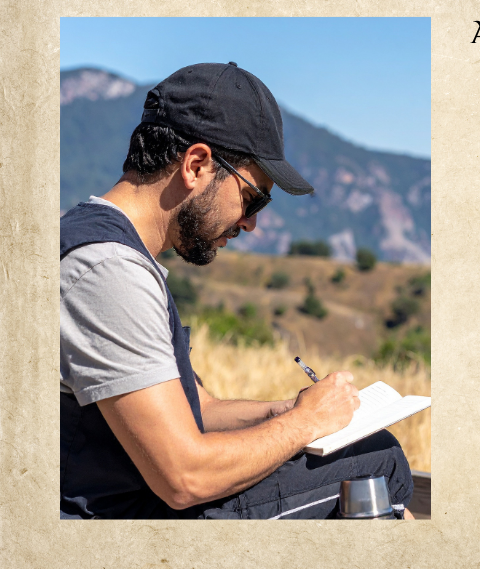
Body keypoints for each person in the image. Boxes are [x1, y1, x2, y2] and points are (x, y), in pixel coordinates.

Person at [60, 62, 413, 519]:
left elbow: (198, 408)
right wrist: (304, 423)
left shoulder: (112, 251)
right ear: (196, 164)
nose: (252, 223)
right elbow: (184, 478)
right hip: (123, 520)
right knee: (379, 464)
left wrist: (296, 408)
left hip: (135, 502)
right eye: (253, 198)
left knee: (371, 450)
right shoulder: (108, 270)